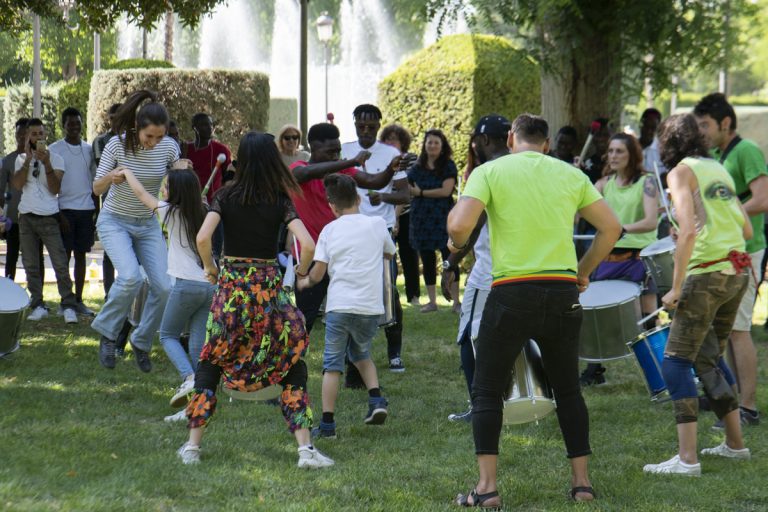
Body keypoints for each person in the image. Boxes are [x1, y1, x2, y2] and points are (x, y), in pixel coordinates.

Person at [448, 114, 622, 506]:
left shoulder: (490, 171)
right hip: (562, 290)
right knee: (568, 389)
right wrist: (582, 272)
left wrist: (455, 244)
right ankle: (582, 484)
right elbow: (611, 228)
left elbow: (459, 227)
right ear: (545, 143)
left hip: (511, 290)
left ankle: (487, 488)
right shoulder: (569, 174)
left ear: (511, 138)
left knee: (487, 388)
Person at [176, 131, 333, 469]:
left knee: (212, 361)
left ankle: (192, 447)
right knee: (292, 361)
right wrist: (302, 274)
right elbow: (307, 244)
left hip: (231, 290)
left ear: (241, 161)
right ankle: (305, 451)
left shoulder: (225, 195)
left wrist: (211, 268)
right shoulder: (280, 199)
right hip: (268, 292)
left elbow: (203, 236)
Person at [642, 113, 752, 476]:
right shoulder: (716, 168)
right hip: (736, 271)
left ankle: (687, 459)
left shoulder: (680, 172)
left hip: (706, 276)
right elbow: (746, 227)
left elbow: (687, 232)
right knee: (708, 357)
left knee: (674, 361)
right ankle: (735, 444)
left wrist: (675, 288)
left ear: (667, 143)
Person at [298, 173, 394, 439]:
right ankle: (376, 399)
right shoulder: (376, 224)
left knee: (332, 365)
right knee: (361, 353)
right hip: (370, 306)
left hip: (340, 306)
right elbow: (389, 252)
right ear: (359, 198)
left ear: (332, 206)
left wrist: (305, 281)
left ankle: (327, 425)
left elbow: (318, 274)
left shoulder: (329, 230)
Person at [117, 160, 215, 422]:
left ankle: (189, 378)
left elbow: (141, 195)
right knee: (196, 348)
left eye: (167, 186)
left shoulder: (169, 212)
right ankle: (195, 408)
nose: (163, 190)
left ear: (177, 191)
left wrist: (127, 172)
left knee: (168, 335)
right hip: (208, 286)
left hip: (185, 285)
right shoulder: (204, 212)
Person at [91, 90, 178, 373]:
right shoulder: (116, 146)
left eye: (159, 137)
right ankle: (108, 333)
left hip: (148, 223)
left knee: (165, 286)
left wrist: (183, 174)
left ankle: (141, 340)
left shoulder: (169, 148)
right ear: (137, 128)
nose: (154, 143)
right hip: (115, 220)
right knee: (129, 277)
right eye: (148, 136)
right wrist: (111, 177)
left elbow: (175, 181)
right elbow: (96, 188)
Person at [694, 93, 765, 429]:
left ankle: (748, 407)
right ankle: (732, 398)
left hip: (746, 250)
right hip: (725, 253)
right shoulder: (716, 154)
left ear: (725, 123)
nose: (702, 132)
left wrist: (720, 215)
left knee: (738, 330)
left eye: (706, 125)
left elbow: (763, 198)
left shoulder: (746, 150)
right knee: (724, 330)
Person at [289, 123, 402, 334]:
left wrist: (390, 169)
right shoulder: (298, 167)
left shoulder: (343, 170)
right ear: (313, 147)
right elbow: (303, 174)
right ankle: (294, 361)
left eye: (337, 151)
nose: (335, 156)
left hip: (343, 254)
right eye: (330, 151)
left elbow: (373, 181)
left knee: (353, 313)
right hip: (310, 255)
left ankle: (370, 361)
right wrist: (349, 160)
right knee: (304, 317)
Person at [442, 114, 510, 423]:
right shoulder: (525, 168)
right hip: (523, 270)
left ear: (483, 141)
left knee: (470, 336)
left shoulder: (485, 172)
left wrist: (451, 263)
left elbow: (468, 226)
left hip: (489, 273)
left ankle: (480, 407)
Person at [580, 133, 660, 386]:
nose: (613, 156)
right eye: (611, 151)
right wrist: (574, 177)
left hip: (640, 257)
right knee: (594, 314)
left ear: (632, 155)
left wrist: (618, 229)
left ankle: (657, 374)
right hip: (608, 255)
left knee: (649, 317)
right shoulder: (603, 184)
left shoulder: (647, 182)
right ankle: (594, 372)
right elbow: (577, 208)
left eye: (619, 152)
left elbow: (650, 221)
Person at [341, 104, 410, 374]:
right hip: (348, 232)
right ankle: (353, 354)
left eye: (372, 126)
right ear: (355, 123)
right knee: (349, 292)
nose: (366, 131)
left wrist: (382, 196)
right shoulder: (345, 151)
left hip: (381, 233)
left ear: (379, 125)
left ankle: (394, 354)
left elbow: (404, 195)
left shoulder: (392, 153)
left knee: (388, 293)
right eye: (361, 126)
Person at [11, 118, 79, 324]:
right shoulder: (21, 159)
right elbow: (17, 185)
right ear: (27, 137)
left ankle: (68, 305)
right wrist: (28, 160)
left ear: (45, 135)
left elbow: (55, 189)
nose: (38, 137)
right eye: (34, 134)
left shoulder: (56, 158)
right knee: (31, 264)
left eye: (41, 133)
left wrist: (46, 163)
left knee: (59, 263)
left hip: (49, 217)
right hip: (27, 217)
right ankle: (38, 304)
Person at [49, 107, 97, 317]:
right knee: (64, 258)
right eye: (70, 123)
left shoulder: (88, 149)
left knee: (81, 256)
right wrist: (58, 213)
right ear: (63, 126)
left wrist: (95, 210)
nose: (74, 127)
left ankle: (78, 300)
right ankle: (65, 301)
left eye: (77, 123)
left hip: (86, 210)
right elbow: (49, 184)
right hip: (65, 210)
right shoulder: (54, 149)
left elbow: (95, 181)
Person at [407, 129, 460, 313]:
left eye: (436, 142)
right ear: (425, 144)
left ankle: (456, 302)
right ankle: (432, 302)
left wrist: (421, 193)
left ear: (442, 145)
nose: (432, 145)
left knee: (450, 257)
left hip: (444, 218)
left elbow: (446, 191)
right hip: (421, 218)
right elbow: (407, 186)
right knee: (427, 260)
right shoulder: (417, 166)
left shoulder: (448, 166)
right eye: (429, 142)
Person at [381, 124, 421, 306]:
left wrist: (396, 217)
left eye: (394, 139)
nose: (390, 143)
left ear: (402, 142)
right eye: (387, 139)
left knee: (409, 254)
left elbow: (405, 189)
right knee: (387, 254)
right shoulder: (380, 159)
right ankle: (389, 292)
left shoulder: (411, 159)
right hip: (385, 213)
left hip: (407, 214)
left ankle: (413, 295)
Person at [1, 118, 44, 282]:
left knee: (36, 257)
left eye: (25, 133)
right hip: (14, 218)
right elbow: (0, 192)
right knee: (11, 256)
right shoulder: (8, 160)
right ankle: (8, 290)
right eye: (18, 133)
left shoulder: (41, 158)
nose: (21, 136)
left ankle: (37, 296)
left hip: (35, 215)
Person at [92, 103, 121, 299]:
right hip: (110, 202)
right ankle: (109, 292)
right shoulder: (101, 141)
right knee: (110, 251)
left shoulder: (137, 140)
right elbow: (103, 168)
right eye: (113, 117)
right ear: (109, 119)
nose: (116, 121)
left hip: (133, 202)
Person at [185, 113, 232, 205]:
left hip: (214, 203)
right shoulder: (186, 149)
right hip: (190, 202)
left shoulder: (221, 150)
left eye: (211, 124)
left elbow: (228, 177)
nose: (210, 127)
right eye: (204, 125)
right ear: (195, 128)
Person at [580, 118, 612, 184]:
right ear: (593, 137)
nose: (602, 139)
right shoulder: (586, 164)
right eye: (598, 135)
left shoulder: (616, 161)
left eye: (605, 135)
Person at [639, 108, 666, 181]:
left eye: (653, 128)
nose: (649, 131)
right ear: (640, 125)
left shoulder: (663, 149)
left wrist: (653, 186)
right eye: (646, 126)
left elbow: (668, 175)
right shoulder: (630, 147)